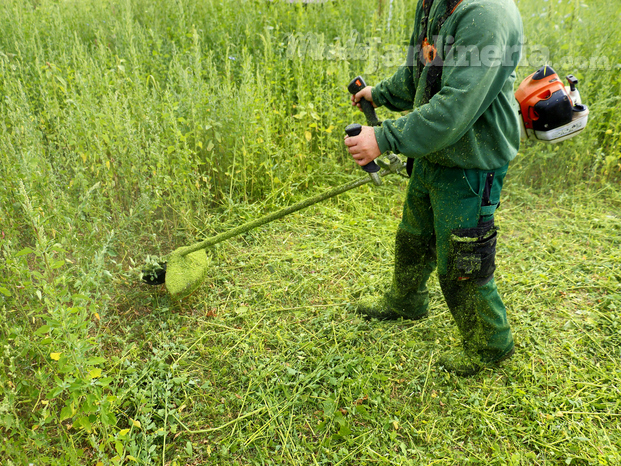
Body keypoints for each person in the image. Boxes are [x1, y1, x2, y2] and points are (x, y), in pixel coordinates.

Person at [344, 0, 523, 376]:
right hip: (433, 154)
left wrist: (384, 136)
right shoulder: (434, 3)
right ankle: (406, 300)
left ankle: (489, 345)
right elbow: (418, 72)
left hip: (472, 161)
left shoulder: (487, 15)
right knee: (414, 236)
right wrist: (380, 94)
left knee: (462, 262)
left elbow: (455, 107)